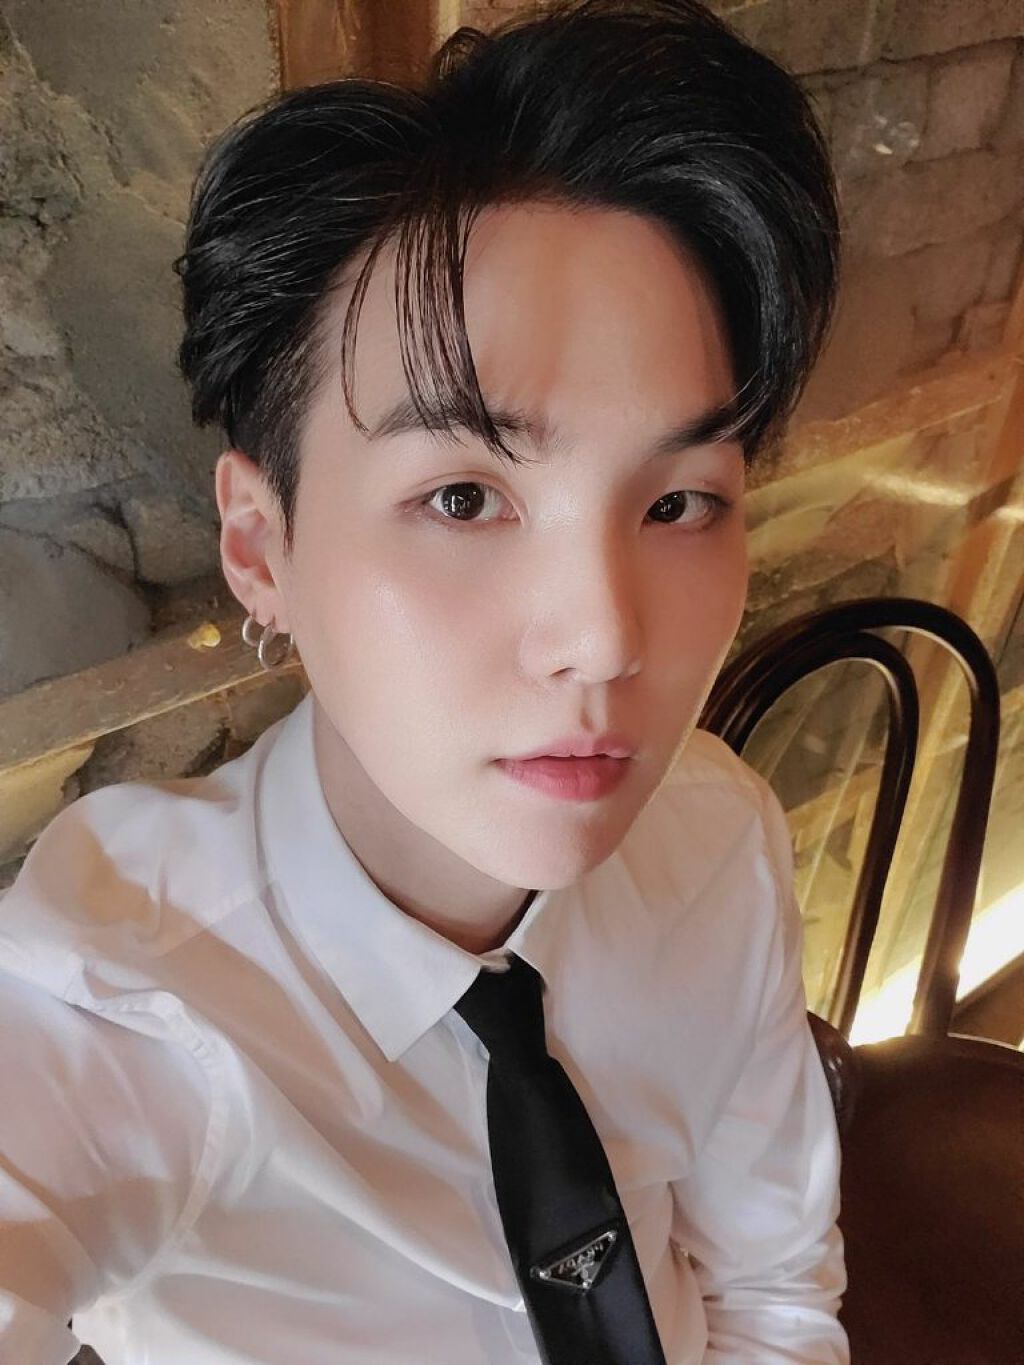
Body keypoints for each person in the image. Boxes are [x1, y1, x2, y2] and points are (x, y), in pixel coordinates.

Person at [0, 1, 850, 1360]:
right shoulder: (121, 996)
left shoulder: (712, 834)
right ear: (260, 547)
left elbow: (772, 1291)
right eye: (462, 496)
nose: (604, 639)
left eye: (680, 501)